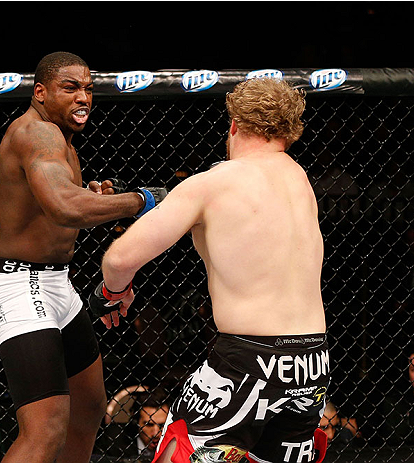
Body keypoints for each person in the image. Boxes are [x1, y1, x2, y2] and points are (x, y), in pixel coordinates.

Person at [89, 77, 330, 463]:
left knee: (176, 453)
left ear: (234, 124)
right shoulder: (299, 180)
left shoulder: (213, 184)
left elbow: (119, 259)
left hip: (247, 358)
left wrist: (112, 292)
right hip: (312, 364)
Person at [0, 51, 166, 463]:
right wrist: (144, 199)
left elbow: (62, 205)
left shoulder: (58, 138)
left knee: (90, 405)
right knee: (45, 431)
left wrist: (95, 198)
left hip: (55, 283)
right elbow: (65, 207)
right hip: (17, 285)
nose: (84, 97)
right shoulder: (38, 134)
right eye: (71, 87)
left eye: (89, 88)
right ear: (40, 92)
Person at [98, 389, 170, 462]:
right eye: (149, 425)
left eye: (162, 425)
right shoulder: (113, 440)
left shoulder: (176, 442)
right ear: (136, 422)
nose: (156, 433)